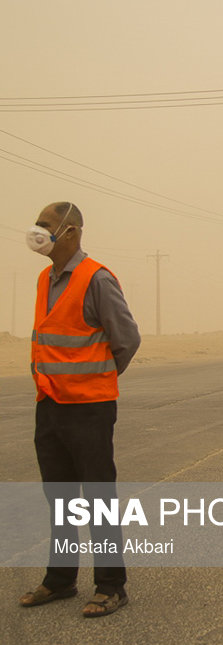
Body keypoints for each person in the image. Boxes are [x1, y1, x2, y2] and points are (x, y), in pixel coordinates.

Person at [19, 202, 141, 618]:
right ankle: (60, 580)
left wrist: (97, 380)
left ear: (71, 232)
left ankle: (111, 586)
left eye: (46, 225)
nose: (38, 231)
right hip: (50, 405)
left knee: (97, 499)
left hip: (89, 408)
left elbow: (126, 339)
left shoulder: (96, 279)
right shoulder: (43, 279)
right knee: (60, 498)